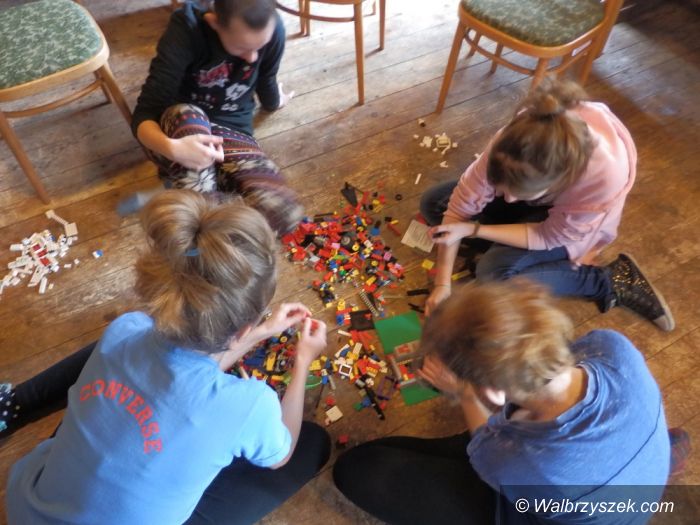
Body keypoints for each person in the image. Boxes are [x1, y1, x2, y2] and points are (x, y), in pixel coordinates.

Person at [4, 190, 330, 525]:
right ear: (242, 328)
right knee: (314, 444)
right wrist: (302, 362)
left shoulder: (125, 329)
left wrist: (260, 332)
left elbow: (192, 365)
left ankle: (13, 405)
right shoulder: (249, 406)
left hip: (29, 507)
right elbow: (280, 454)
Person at [333, 279, 682, 524]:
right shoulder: (611, 346)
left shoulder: (528, 463)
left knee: (357, 468)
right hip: (602, 483)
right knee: (389, 453)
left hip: (542, 505)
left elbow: (487, 444)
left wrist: (465, 392)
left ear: (493, 393)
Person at [421, 78, 674, 331]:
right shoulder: (515, 141)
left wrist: (474, 229)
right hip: (541, 206)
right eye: (503, 188)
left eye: (517, 194)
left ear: (558, 181)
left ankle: (609, 280)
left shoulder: (604, 177)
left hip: (567, 224)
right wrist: (442, 284)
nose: (508, 199)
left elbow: (548, 235)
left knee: (494, 275)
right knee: (433, 204)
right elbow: (459, 207)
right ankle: (515, 249)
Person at [131, 0, 302, 234]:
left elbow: (267, 77)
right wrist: (173, 149)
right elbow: (144, 114)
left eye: (260, 47)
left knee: (284, 213)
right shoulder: (187, 29)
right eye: (242, 47)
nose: (252, 58)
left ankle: (188, 194)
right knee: (188, 116)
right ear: (214, 23)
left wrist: (275, 101)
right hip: (179, 128)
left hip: (231, 131)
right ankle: (195, 199)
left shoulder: (271, 27)